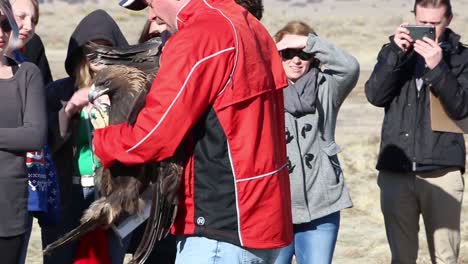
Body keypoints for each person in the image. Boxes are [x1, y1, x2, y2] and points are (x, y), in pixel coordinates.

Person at [92, 0, 293, 262]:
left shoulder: (202, 35)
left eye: (150, 3)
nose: (152, 15)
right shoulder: (247, 24)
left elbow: (152, 137)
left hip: (220, 227)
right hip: (260, 221)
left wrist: (102, 141)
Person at [365, 0, 468, 263]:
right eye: (421, 23)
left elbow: (462, 109)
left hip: (442, 171)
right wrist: (395, 55)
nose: (427, 29)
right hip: (395, 171)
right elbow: (375, 96)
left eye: (434, 24)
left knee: (445, 258)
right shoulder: (393, 52)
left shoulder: (462, 58)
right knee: (401, 258)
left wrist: (438, 67)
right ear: (413, 17)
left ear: (449, 19)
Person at [44, 9, 130, 264]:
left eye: (107, 48)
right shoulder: (58, 91)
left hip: (112, 198)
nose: (99, 56)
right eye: (92, 49)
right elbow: (47, 144)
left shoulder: (129, 93)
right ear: (81, 52)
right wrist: (70, 108)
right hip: (67, 194)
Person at [273, 21, 359, 264]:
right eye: (288, 54)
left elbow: (350, 67)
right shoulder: (265, 89)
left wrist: (309, 42)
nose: (296, 60)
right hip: (277, 205)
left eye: (303, 54)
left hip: (322, 201)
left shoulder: (327, 87)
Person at [0, 7, 46, 264]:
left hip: (8, 209)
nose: (1, 33)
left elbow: (34, 136)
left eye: (6, 25)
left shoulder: (27, 74)